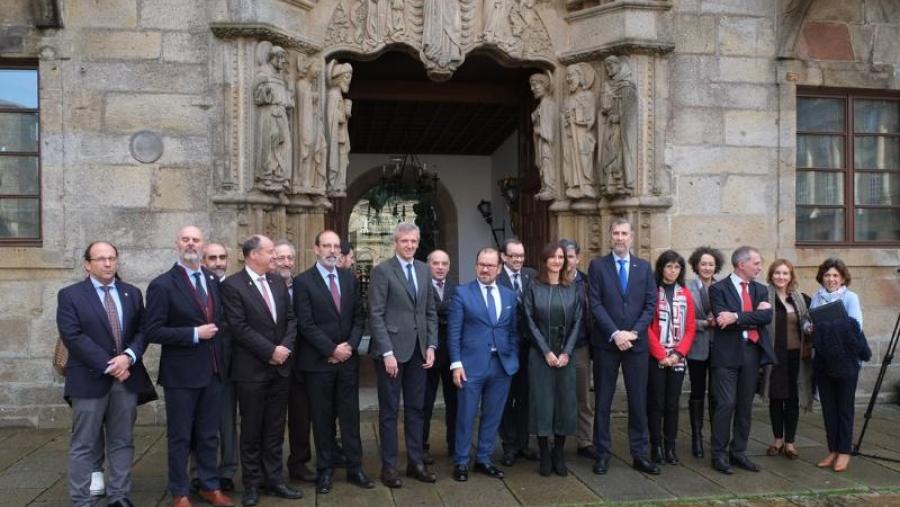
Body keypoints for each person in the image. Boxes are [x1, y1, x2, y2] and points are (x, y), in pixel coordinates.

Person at [58, 241, 156, 507]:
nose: (108, 263)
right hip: (89, 380)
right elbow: (72, 336)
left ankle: (119, 496)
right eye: (101, 259)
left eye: (112, 258)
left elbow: (143, 330)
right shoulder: (70, 295)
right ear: (87, 264)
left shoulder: (131, 293)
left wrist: (129, 357)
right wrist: (111, 365)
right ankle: (81, 500)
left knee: (122, 441)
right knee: (84, 444)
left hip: (126, 380)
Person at [143, 226, 233, 507]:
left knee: (209, 435)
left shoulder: (212, 280)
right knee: (180, 436)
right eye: (186, 239)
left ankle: (209, 486)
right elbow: (153, 330)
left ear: (202, 245)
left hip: (213, 372)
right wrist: (194, 333)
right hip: (181, 375)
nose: (191, 244)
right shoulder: (162, 284)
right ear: (177, 244)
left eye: (196, 240)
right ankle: (180, 492)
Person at [221, 235, 302, 505]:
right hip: (251, 371)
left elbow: (291, 319)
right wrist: (270, 351)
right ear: (253, 255)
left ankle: (274, 480)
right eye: (270, 252)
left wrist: (284, 348)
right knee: (252, 430)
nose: (274, 256)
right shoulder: (232, 286)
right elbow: (239, 327)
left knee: (275, 429)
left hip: (280, 369)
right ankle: (252, 484)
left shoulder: (277, 282)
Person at [293, 230, 375, 494]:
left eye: (335, 246)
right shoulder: (303, 282)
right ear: (316, 249)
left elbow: (359, 317)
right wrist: (330, 349)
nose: (331, 250)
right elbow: (305, 323)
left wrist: (349, 346)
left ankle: (355, 467)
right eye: (326, 245)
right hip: (319, 363)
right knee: (322, 419)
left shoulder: (349, 278)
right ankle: (325, 470)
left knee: (350, 417)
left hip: (347, 361)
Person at [368, 222, 438, 488]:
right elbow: (375, 314)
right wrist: (387, 352)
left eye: (413, 241)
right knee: (389, 412)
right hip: (392, 353)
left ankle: (415, 463)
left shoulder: (423, 269)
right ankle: (389, 467)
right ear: (395, 243)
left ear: (418, 243)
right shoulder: (382, 271)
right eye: (404, 241)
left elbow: (430, 311)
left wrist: (431, 345)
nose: (409, 245)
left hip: (419, 351)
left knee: (416, 409)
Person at [588, 217, 658, 476]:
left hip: (636, 345)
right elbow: (595, 303)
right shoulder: (598, 266)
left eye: (624, 233)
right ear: (610, 235)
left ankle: (639, 454)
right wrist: (616, 333)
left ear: (632, 237)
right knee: (603, 401)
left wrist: (634, 332)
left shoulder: (644, 267)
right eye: (616, 233)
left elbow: (650, 304)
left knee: (638, 401)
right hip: (607, 343)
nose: (620, 238)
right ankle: (602, 454)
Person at [448, 247, 519, 482]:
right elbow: (454, 332)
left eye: (490, 265)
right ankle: (461, 461)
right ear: (476, 266)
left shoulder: (509, 296)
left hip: (501, 366)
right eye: (481, 264)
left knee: (493, 415)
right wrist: (456, 363)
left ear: (499, 269)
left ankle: (484, 459)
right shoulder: (462, 293)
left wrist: (513, 358)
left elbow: (513, 331)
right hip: (470, 366)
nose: (485, 269)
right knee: (466, 415)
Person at [708, 246, 775, 475]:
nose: (759, 267)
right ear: (741, 264)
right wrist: (751, 317)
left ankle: (738, 452)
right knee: (726, 404)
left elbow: (766, 317)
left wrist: (736, 316)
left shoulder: (760, 289)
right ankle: (719, 454)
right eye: (756, 263)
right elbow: (721, 319)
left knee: (745, 406)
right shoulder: (718, 289)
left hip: (752, 353)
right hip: (726, 355)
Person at [523, 242, 582, 476]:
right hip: (541, 355)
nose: (557, 261)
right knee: (542, 402)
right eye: (553, 257)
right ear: (544, 260)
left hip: (565, 355)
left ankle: (558, 452)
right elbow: (528, 320)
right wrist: (546, 351)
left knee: (564, 403)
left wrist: (566, 351)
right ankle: (544, 453)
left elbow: (578, 321)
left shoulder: (571, 288)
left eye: (561, 257)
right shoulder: (533, 287)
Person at [810, 258, 870, 473]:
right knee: (828, 408)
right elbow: (810, 323)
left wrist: (824, 328)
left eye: (835, 275)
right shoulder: (816, 297)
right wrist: (809, 327)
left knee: (844, 407)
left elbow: (855, 327)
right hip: (823, 360)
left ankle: (845, 451)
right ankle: (833, 449)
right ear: (822, 277)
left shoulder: (850, 297)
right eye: (827, 275)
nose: (831, 279)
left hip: (846, 361)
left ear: (843, 278)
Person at [188, 242, 238, 493]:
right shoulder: (195, 288)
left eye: (222, 257)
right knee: (199, 424)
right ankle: (199, 472)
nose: (218, 262)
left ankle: (227, 470)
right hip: (199, 366)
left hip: (229, 366)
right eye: (212, 258)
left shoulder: (235, 287)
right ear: (203, 261)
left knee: (227, 422)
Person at [759, 259, 813, 461]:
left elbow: (808, 323)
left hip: (796, 356)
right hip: (774, 355)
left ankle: (790, 442)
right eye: (777, 273)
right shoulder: (764, 297)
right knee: (776, 397)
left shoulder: (801, 299)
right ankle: (777, 440)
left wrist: (809, 327)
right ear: (771, 275)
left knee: (792, 398)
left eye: (785, 273)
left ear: (791, 276)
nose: (781, 277)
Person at [273, 240, 317, 484]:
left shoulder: (302, 285)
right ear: (272, 259)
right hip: (271, 362)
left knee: (301, 418)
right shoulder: (263, 285)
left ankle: (299, 464)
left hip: (300, 363)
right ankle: (271, 468)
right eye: (281, 258)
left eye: (290, 258)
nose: (286, 262)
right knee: (273, 421)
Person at [646, 250, 696, 466]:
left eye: (677, 267)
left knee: (672, 403)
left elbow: (691, 328)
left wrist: (677, 354)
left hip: (678, 357)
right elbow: (646, 327)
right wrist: (661, 354)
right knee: (656, 402)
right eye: (669, 266)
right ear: (661, 268)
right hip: (656, 356)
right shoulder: (651, 292)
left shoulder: (685, 294)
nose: (673, 271)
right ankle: (656, 445)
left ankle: (670, 446)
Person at [497, 239, 538, 466]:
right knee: (505, 397)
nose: (518, 260)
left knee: (526, 397)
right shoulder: (496, 277)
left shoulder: (532, 275)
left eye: (521, 255)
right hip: (505, 348)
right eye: (514, 256)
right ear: (503, 257)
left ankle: (524, 444)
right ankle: (509, 445)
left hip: (529, 348)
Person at [685, 246, 725, 458]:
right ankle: (697, 438)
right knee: (697, 392)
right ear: (696, 266)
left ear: (716, 266)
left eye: (711, 264)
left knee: (717, 394)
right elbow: (683, 318)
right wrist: (704, 323)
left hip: (719, 347)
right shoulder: (687, 287)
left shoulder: (723, 287)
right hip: (697, 347)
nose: (707, 268)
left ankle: (716, 438)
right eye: (703, 264)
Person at [560, 239, 595, 460]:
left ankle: (585, 441)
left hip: (581, 346)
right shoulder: (548, 280)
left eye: (571, 257)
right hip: (556, 348)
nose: (567, 261)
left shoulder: (587, 282)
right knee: (557, 395)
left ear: (578, 259)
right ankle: (556, 441)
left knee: (582, 396)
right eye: (562, 256)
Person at [422, 249, 459, 463]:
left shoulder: (457, 288)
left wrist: (438, 311)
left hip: (452, 354)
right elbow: (426, 314)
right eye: (436, 263)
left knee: (454, 403)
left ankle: (454, 446)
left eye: (444, 263)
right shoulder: (421, 286)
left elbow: (458, 314)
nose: (440, 267)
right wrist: (446, 310)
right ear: (428, 265)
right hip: (427, 353)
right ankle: (421, 448)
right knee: (424, 403)